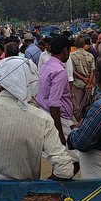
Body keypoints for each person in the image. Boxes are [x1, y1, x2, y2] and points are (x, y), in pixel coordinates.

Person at [0, 56, 73, 181]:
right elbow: (65, 170)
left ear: (0, 84)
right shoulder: (41, 118)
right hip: (22, 194)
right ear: (30, 84)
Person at [37, 34, 78, 164]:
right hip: (58, 117)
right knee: (75, 159)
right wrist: (60, 132)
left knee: (61, 158)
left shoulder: (47, 65)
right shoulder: (59, 71)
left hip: (48, 114)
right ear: (65, 50)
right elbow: (54, 102)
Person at [69, 36, 95, 122]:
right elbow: (92, 71)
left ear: (75, 45)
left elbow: (72, 71)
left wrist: (83, 78)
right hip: (88, 85)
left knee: (76, 106)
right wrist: (88, 82)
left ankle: (77, 123)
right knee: (87, 104)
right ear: (84, 44)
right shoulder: (90, 55)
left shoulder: (71, 55)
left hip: (77, 84)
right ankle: (85, 122)